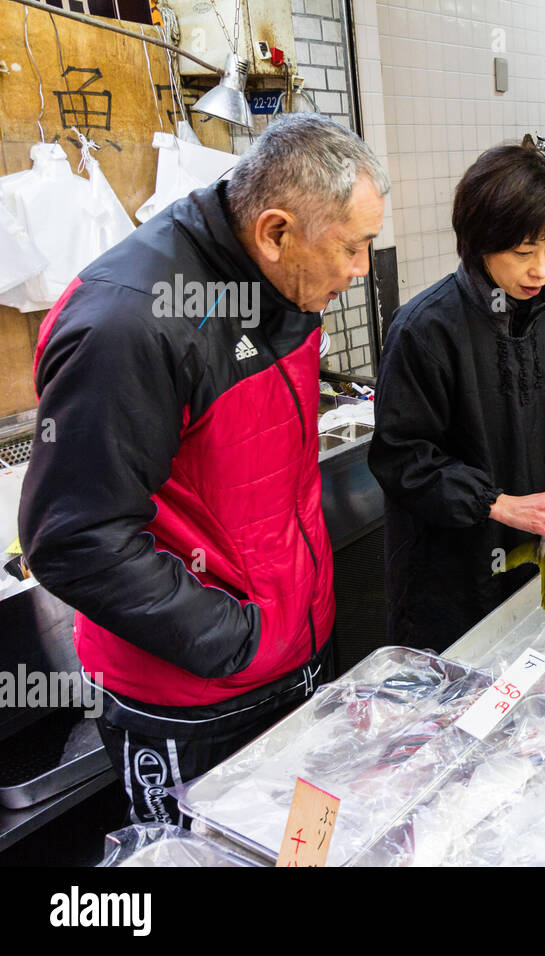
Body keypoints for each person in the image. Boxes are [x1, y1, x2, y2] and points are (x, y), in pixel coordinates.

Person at [17, 113, 388, 825]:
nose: (360, 270)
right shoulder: (129, 322)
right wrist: (236, 639)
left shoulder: (282, 285)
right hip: (193, 700)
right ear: (276, 231)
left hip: (296, 655)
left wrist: (287, 627)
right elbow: (75, 539)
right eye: (353, 248)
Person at [367, 145, 545, 652]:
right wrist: (496, 503)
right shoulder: (425, 329)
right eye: (523, 253)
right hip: (451, 572)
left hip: (540, 552)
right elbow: (403, 458)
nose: (541, 270)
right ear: (479, 242)